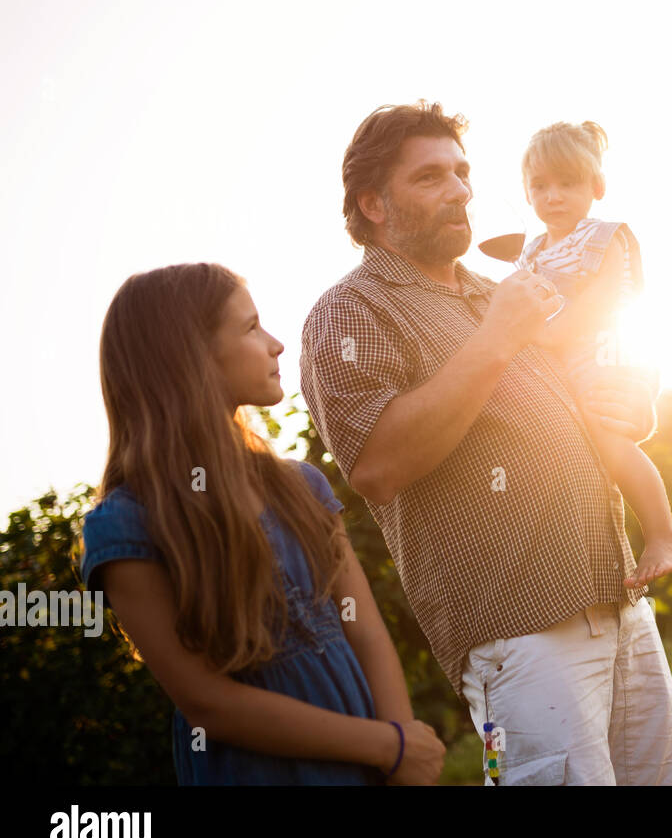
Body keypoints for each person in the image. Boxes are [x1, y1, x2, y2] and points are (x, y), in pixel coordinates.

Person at [299, 101, 672, 785]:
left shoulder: (497, 291)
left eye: (462, 173)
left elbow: (590, 379)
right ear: (373, 204)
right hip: (520, 639)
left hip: (621, 603)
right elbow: (378, 467)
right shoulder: (349, 311)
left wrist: (633, 407)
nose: (459, 190)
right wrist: (498, 337)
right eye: (429, 178)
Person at [80, 264, 444, 785]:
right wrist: (387, 744)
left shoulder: (302, 488)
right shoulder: (127, 525)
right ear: (190, 358)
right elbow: (208, 703)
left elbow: (363, 631)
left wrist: (402, 749)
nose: (275, 344)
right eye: (251, 328)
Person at [519, 120, 672, 587]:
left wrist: (545, 336)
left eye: (567, 183)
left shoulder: (604, 236)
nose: (553, 195)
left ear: (596, 186)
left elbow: (603, 301)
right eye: (540, 185)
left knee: (609, 436)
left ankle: (662, 534)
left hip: (606, 351)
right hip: (563, 363)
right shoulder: (532, 251)